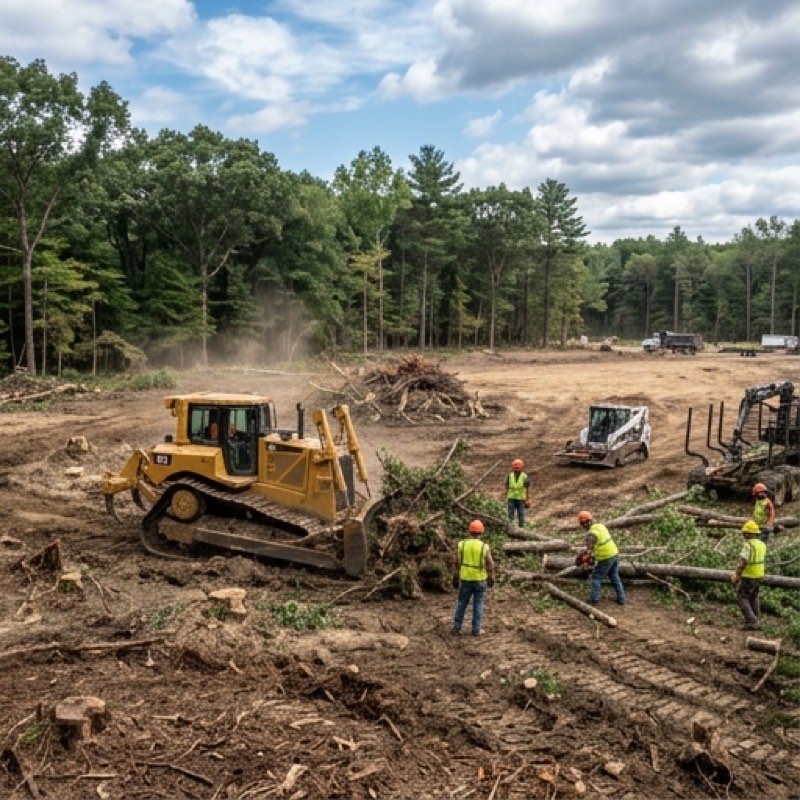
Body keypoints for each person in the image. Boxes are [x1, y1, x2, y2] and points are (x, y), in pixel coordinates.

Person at [451, 519, 496, 636]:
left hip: (465, 578)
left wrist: (455, 576)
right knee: (478, 604)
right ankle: (476, 630)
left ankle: (456, 628)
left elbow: (456, 562)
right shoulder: (484, 547)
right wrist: (491, 577)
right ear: (481, 533)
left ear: (469, 531)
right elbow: (490, 563)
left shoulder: (462, 544)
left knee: (461, 603)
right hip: (480, 580)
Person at [577, 511, 625, 607]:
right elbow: (599, 543)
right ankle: (621, 598)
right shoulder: (600, 526)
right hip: (614, 553)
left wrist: (584, 557)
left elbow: (589, 548)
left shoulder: (592, 534)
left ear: (586, 522)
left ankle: (594, 599)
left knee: (596, 577)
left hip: (606, 557)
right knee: (614, 575)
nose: (583, 526)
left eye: (582, 524)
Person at [731, 519, 766, 631]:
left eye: (746, 533)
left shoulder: (748, 545)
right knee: (753, 596)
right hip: (759, 574)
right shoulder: (762, 544)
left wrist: (736, 574)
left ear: (752, 534)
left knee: (742, 597)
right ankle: (755, 617)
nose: (744, 535)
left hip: (749, 575)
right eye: (744, 532)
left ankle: (752, 621)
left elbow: (743, 562)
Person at [505, 459, 530, 527]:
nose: (517, 469)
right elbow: (507, 486)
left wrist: (527, 499)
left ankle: (521, 527)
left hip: (521, 499)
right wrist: (506, 496)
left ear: (521, 467)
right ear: (513, 467)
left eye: (518, 467)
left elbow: (527, 488)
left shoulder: (525, 476)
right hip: (511, 498)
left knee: (521, 514)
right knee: (510, 514)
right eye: (515, 467)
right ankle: (509, 527)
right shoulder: (510, 476)